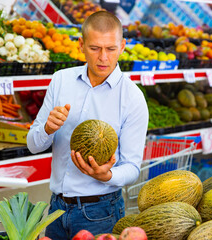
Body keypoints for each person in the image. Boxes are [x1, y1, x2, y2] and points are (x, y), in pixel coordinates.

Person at [27, 11, 149, 239]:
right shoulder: (61, 80)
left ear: (122, 46)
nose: (103, 57)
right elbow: (33, 145)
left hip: (100, 212)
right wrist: (47, 129)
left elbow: (132, 167)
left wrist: (107, 175)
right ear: (81, 45)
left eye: (111, 49)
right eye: (94, 48)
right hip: (56, 210)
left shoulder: (132, 98)